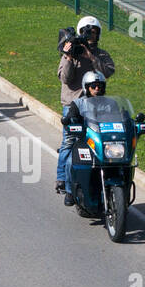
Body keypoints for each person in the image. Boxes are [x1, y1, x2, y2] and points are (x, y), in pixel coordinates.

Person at [55, 15, 114, 196]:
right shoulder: (71, 53)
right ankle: (62, 179)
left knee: (101, 139)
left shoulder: (101, 54)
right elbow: (65, 78)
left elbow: (108, 71)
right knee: (69, 141)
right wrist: (69, 57)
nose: (91, 36)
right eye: (87, 32)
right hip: (73, 103)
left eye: (94, 33)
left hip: (95, 105)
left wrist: (90, 56)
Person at [59, 70, 108, 206]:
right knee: (70, 162)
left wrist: (128, 120)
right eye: (93, 86)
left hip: (104, 142)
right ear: (87, 87)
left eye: (100, 86)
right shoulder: (78, 103)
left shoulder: (110, 103)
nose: (97, 89)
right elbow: (70, 116)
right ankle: (69, 192)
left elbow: (121, 116)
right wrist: (69, 120)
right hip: (84, 142)